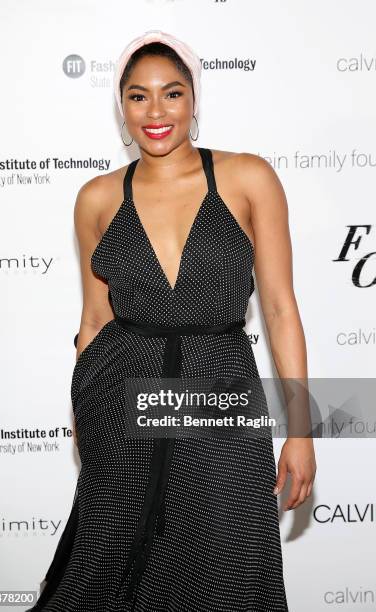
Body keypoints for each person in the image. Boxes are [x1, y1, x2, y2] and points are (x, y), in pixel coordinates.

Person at [27, 29, 316, 611]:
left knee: (230, 563)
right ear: (121, 107)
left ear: (194, 100)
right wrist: (86, 416)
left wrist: (302, 429)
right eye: (138, 96)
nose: (155, 112)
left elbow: (281, 308)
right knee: (116, 565)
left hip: (221, 391)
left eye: (172, 93)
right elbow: (94, 318)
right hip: (122, 399)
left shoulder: (248, 177)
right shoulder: (97, 198)